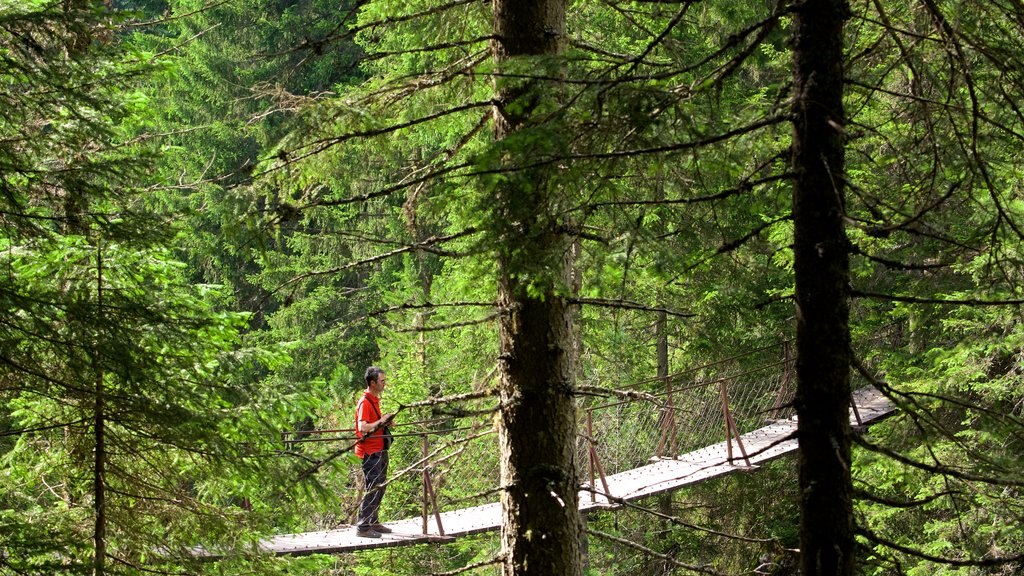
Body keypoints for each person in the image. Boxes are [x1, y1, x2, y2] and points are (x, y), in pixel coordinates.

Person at [353, 366, 395, 538]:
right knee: (373, 487)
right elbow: (362, 427)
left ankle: (373, 521)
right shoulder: (365, 402)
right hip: (371, 452)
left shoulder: (374, 400)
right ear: (372, 383)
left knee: (380, 486)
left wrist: (384, 422)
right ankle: (363, 527)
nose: (384, 384)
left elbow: (374, 423)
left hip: (379, 449)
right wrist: (381, 421)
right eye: (382, 381)